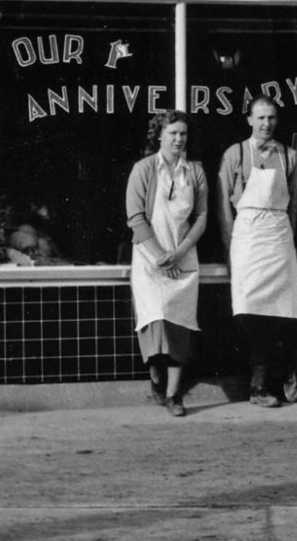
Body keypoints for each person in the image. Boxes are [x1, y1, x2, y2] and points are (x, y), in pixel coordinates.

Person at [218, 96, 297, 408]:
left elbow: (293, 205)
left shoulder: (289, 156)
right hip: (248, 238)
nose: (266, 124)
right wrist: (230, 247)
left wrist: (290, 240)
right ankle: (259, 382)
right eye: (260, 118)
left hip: (278, 236)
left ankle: (273, 380)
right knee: (249, 311)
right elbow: (222, 207)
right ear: (249, 120)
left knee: (283, 312)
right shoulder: (235, 154)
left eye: (271, 118)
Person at [125, 110, 208, 418]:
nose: (178, 139)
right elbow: (135, 217)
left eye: (183, 134)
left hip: (183, 256)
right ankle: (156, 373)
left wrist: (180, 252)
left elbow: (201, 216)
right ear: (159, 135)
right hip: (150, 256)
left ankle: (174, 394)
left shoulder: (195, 172)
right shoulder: (144, 169)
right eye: (172, 133)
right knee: (154, 318)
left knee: (179, 324)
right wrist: (161, 257)